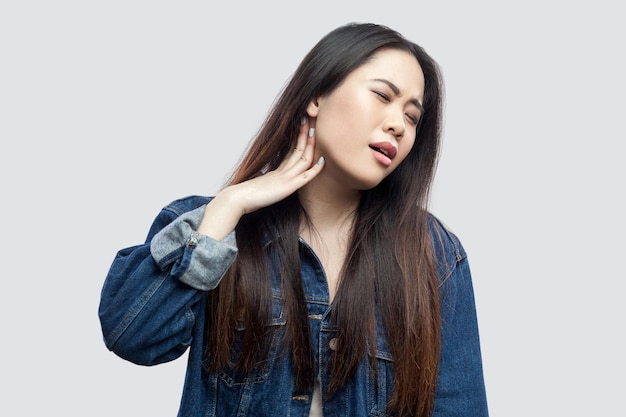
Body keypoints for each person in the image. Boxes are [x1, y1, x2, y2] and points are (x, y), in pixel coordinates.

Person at [98, 22, 489, 417]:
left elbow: (460, 407)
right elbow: (132, 335)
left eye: (412, 116)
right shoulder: (209, 226)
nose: (398, 125)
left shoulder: (433, 253)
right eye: (382, 95)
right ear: (317, 96)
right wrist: (232, 204)